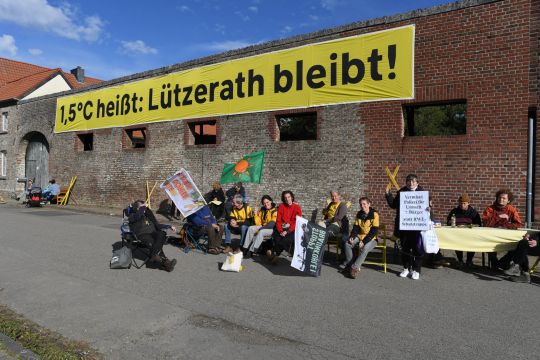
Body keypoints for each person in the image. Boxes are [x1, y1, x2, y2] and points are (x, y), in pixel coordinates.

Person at [385, 174, 427, 280]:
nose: (411, 183)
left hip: (417, 226)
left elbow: (427, 208)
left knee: (417, 248)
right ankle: (406, 268)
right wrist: (388, 195)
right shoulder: (402, 192)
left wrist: (428, 209)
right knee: (405, 248)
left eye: (413, 181)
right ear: (406, 182)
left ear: (417, 183)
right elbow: (393, 205)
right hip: (404, 226)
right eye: (409, 181)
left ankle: (416, 270)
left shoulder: (422, 193)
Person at [128, 200, 177, 272]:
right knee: (153, 242)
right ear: (137, 208)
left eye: (145, 207)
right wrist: (143, 207)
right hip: (142, 235)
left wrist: (169, 226)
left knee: (162, 233)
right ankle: (167, 263)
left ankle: (154, 255)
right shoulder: (132, 215)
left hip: (153, 232)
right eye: (142, 207)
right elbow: (137, 217)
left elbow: (157, 225)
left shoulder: (148, 214)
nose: (145, 208)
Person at [481, 188, 523, 269]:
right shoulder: (490, 209)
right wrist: (499, 217)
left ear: (508, 200)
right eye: (499, 197)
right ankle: (494, 263)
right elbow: (485, 223)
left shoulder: (511, 209)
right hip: (491, 235)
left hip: (506, 235)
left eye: (504, 198)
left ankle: (502, 263)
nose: (501, 199)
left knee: (516, 246)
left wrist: (507, 224)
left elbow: (519, 224)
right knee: (490, 247)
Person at [341, 197, 379, 279]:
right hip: (360, 236)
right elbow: (355, 228)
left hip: (371, 239)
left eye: (364, 204)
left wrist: (364, 241)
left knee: (364, 248)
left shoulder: (374, 214)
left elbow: (374, 231)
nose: (362, 206)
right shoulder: (359, 214)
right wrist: (352, 236)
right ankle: (349, 265)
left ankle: (354, 268)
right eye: (361, 204)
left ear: (369, 204)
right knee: (347, 243)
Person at [446, 193, 482, 267]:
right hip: (457, 234)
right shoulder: (454, 211)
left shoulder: (473, 213)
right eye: (461, 203)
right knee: (457, 243)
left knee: (472, 243)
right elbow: (449, 222)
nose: (462, 205)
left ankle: (469, 260)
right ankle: (460, 260)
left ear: (468, 203)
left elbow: (478, 224)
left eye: (464, 203)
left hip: (470, 234)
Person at [269, 190, 302, 264]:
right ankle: (274, 255)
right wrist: (281, 231)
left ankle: (275, 255)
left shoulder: (297, 207)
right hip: (281, 228)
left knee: (285, 240)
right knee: (277, 238)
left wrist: (287, 231)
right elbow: (278, 220)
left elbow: (296, 222)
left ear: (292, 197)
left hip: (291, 229)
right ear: (283, 199)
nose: (287, 199)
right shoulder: (281, 206)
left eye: (289, 197)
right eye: (285, 197)